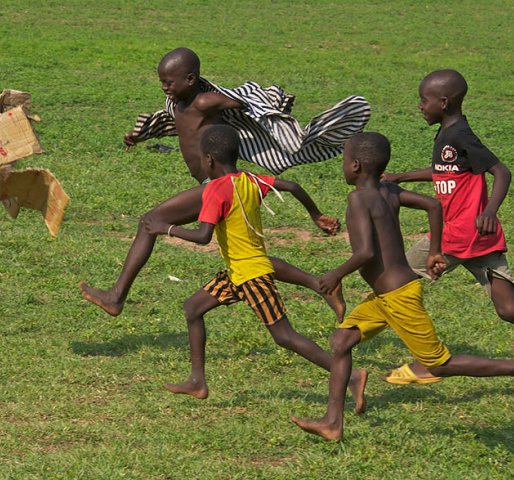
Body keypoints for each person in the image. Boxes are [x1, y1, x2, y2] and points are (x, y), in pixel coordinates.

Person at [79, 47, 371, 319]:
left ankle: (116, 297)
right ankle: (322, 284)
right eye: (161, 81)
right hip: (220, 183)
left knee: (149, 221)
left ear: (191, 79)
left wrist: (270, 103)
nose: (164, 87)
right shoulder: (177, 102)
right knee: (251, 260)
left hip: (215, 185)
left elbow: (244, 102)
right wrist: (140, 135)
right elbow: (179, 126)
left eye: (169, 82)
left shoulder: (205, 101)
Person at [290, 132, 514, 442]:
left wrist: (336, 274)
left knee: (441, 365)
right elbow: (433, 205)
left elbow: (366, 251)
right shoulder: (389, 190)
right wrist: (435, 250)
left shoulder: (358, 199)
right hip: (386, 296)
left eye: (344, 160)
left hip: (399, 297)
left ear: (355, 166)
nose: (342, 167)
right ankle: (332, 423)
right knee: (341, 341)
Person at [143, 124, 368, 406]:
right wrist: (315, 215)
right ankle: (197, 382)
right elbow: (293, 186)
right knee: (193, 309)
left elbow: (202, 236)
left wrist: (166, 228)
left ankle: (352, 377)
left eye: (202, 158)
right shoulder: (249, 179)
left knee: (285, 336)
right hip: (237, 273)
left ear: (209, 160)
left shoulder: (215, 190)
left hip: (251, 275)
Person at [382, 69, 514, 384]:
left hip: (459, 234)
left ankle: (421, 361)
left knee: (393, 281)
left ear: (443, 102)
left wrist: (491, 210)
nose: (419, 106)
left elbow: (501, 171)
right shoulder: (447, 132)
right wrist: (400, 177)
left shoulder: (460, 134)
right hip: (480, 240)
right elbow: (443, 170)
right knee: (508, 309)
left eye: (423, 100)